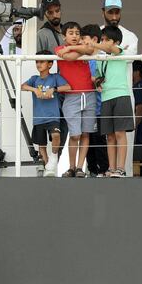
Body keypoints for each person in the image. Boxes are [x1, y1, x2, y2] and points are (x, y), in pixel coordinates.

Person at [54, 22, 113, 177]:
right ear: (64, 35)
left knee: (86, 133)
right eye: (71, 33)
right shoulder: (60, 48)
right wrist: (73, 48)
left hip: (89, 94)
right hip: (72, 96)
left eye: (77, 33)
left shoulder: (79, 47)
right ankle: (72, 167)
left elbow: (90, 49)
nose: (74, 36)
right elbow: (70, 57)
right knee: (75, 134)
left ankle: (80, 168)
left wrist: (74, 47)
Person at [95, 26, 135, 178]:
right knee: (109, 136)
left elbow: (111, 48)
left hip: (121, 95)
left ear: (117, 42)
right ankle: (112, 168)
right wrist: (97, 83)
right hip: (105, 97)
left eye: (107, 40)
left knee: (120, 133)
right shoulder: (101, 58)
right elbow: (98, 77)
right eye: (102, 39)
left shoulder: (120, 52)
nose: (104, 42)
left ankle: (121, 168)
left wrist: (92, 45)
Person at [21, 54, 70, 176]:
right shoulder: (34, 79)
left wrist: (54, 89)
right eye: (37, 61)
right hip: (38, 119)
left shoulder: (55, 77)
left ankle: (53, 160)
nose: (39, 64)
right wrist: (34, 90)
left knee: (56, 135)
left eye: (42, 62)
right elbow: (22, 86)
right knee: (41, 145)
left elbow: (68, 87)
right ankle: (49, 169)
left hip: (53, 116)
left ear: (50, 64)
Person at [84, 25, 110, 177]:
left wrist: (93, 81)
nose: (81, 42)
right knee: (88, 140)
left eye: (84, 39)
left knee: (99, 140)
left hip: (99, 108)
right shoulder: (83, 58)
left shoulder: (101, 58)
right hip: (86, 108)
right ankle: (92, 169)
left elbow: (101, 80)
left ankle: (103, 169)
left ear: (94, 40)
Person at [131, 61, 142, 167]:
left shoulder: (139, 86)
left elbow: (140, 108)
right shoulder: (140, 85)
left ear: (136, 72)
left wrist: (133, 126)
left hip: (141, 132)